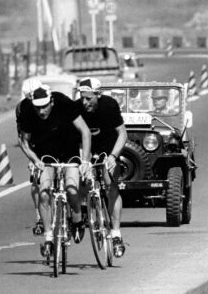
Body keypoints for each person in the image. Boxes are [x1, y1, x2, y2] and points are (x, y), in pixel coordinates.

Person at [18, 85, 92, 259]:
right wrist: (35, 161)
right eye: (38, 107)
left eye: (45, 106)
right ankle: (49, 237)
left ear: (51, 101)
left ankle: (77, 218)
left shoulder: (64, 103)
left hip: (68, 149)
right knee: (44, 193)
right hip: (45, 153)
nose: (41, 111)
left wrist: (86, 161)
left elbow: (85, 132)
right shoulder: (28, 111)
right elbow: (24, 141)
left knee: (72, 190)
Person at [76, 77, 127, 258]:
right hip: (86, 151)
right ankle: (79, 218)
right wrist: (84, 161)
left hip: (108, 149)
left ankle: (115, 234)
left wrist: (113, 156)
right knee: (79, 185)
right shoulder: (77, 108)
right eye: (82, 98)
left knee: (110, 183)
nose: (85, 102)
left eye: (89, 98)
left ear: (98, 94)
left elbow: (122, 134)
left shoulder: (109, 106)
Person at [15, 77, 44, 235]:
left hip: (53, 140)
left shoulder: (49, 101)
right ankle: (39, 217)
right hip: (34, 143)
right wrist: (32, 159)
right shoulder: (22, 108)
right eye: (29, 98)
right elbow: (22, 137)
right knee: (36, 180)